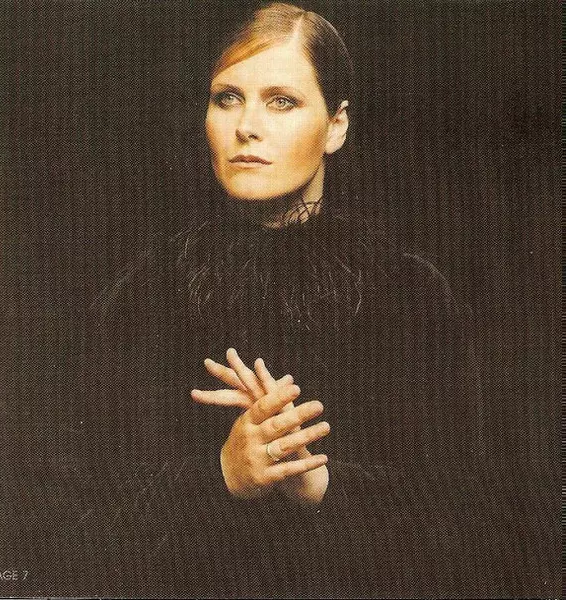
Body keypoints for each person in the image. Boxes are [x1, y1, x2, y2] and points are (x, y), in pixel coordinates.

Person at [66, 3, 490, 597]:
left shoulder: (412, 297)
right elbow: (83, 532)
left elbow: (466, 527)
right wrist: (224, 474)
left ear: (336, 126)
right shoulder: (141, 299)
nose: (247, 126)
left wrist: (315, 483)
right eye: (227, 98)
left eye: (282, 101)